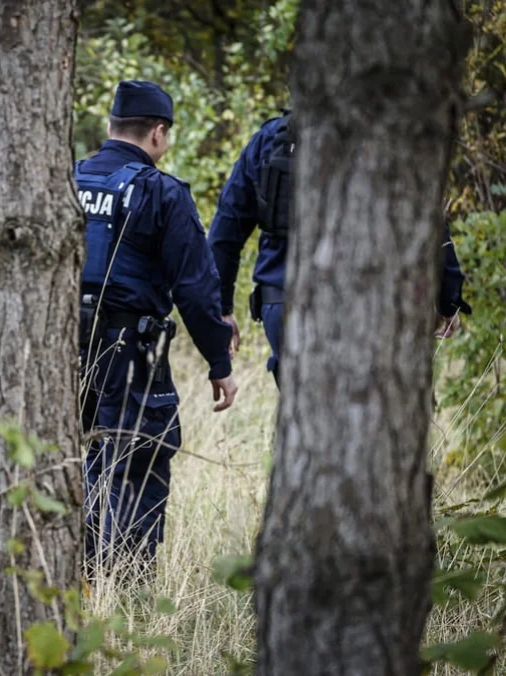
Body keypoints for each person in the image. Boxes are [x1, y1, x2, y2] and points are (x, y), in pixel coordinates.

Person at [76, 81, 238, 581]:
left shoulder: (64, 180)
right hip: (131, 353)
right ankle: (120, 590)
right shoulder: (161, 193)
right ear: (158, 134)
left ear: (109, 128)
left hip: (56, 348)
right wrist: (220, 363)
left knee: (58, 460)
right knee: (135, 458)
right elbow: (196, 287)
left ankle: (68, 580)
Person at [207, 113, 472, 387]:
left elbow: (225, 234)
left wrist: (222, 309)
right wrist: (447, 297)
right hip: (363, 306)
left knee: (302, 422)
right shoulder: (385, 135)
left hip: (282, 302)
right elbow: (430, 223)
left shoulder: (270, 139)